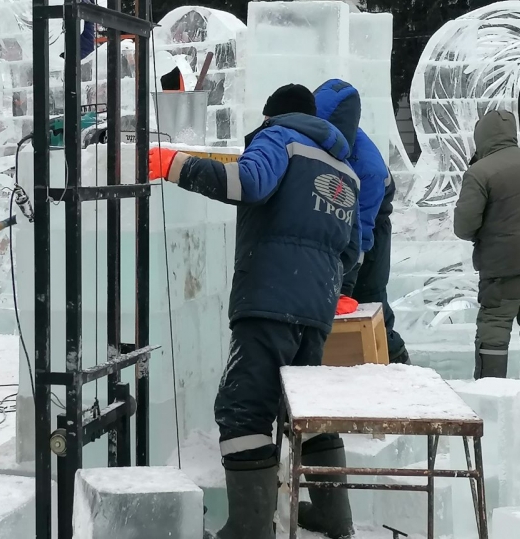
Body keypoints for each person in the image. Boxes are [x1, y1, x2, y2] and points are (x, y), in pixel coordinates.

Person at [150, 84, 360, 539]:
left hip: (269, 300)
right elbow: (353, 250)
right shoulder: (345, 168)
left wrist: (175, 165)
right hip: (315, 311)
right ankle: (333, 517)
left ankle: (249, 529)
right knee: (306, 408)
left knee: (244, 410)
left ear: (273, 114)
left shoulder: (279, 136)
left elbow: (247, 182)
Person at [314, 79, 411, 364]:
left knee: (370, 299)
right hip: (336, 216)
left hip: (372, 229)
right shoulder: (324, 143)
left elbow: (362, 232)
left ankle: (399, 363)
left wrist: (345, 282)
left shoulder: (367, 168)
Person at [454, 109, 520, 379]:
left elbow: (464, 226)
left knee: (494, 328)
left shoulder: (480, 172)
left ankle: (492, 391)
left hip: (500, 269)